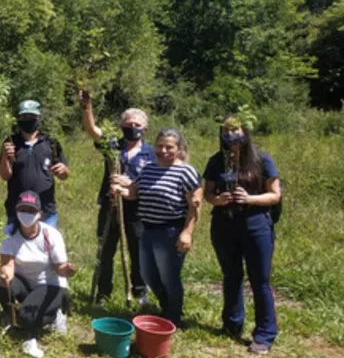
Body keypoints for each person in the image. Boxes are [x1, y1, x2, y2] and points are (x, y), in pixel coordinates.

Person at [203, 116, 282, 355]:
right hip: (224, 225)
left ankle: (265, 334)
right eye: (226, 131)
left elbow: (274, 194)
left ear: (245, 131)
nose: (230, 135)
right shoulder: (217, 161)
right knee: (231, 276)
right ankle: (232, 323)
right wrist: (218, 199)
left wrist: (249, 199)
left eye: (235, 130)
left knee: (260, 281)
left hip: (255, 225)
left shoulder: (261, 159)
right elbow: (208, 193)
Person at [112, 127, 202, 326]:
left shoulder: (186, 172)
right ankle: (166, 307)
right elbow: (135, 193)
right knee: (148, 275)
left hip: (170, 232)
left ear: (179, 149)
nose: (163, 151)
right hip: (147, 230)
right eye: (160, 146)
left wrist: (187, 232)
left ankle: (172, 318)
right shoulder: (149, 168)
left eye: (169, 147)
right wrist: (120, 190)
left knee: (169, 277)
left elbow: (195, 205)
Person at [79, 90, 153, 306]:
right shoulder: (112, 145)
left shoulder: (151, 153)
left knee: (138, 252)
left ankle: (140, 292)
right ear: (122, 126)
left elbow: (154, 181)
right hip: (110, 207)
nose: (133, 128)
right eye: (129, 123)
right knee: (105, 251)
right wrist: (87, 108)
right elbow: (92, 130)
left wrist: (132, 186)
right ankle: (103, 293)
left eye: (138, 125)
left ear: (145, 129)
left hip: (137, 210)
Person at [0, 191, 77, 358]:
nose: (26, 214)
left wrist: (67, 270)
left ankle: (54, 316)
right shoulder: (10, 234)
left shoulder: (50, 235)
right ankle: (17, 317)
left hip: (50, 284)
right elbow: (7, 263)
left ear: (40, 214)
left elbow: (59, 267)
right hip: (25, 282)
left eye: (31, 210)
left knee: (28, 315)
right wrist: (6, 276)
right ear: (16, 212)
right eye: (22, 209)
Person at [0, 100, 69, 228]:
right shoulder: (11, 143)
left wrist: (63, 170)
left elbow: (64, 174)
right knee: (14, 247)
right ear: (19, 119)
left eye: (32, 117)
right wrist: (5, 156)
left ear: (38, 118)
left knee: (46, 246)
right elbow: (5, 176)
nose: (28, 120)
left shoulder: (50, 143)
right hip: (17, 210)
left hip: (45, 210)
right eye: (24, 117)